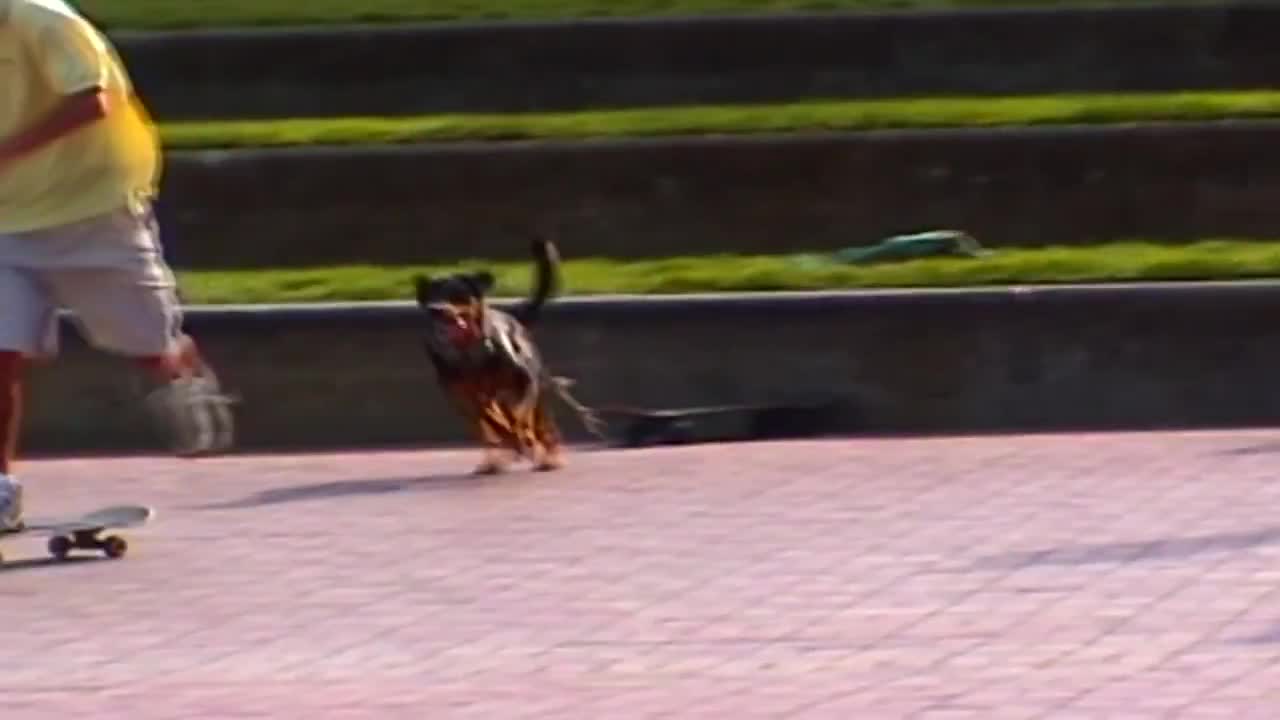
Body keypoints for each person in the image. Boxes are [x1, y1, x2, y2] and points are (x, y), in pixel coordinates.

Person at [0, 0, 235, 532]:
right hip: (4, 220)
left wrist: (6, 151)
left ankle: (177, 365)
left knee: (149, 345)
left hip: (94, 207)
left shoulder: (43, 20)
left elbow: (93, 100)